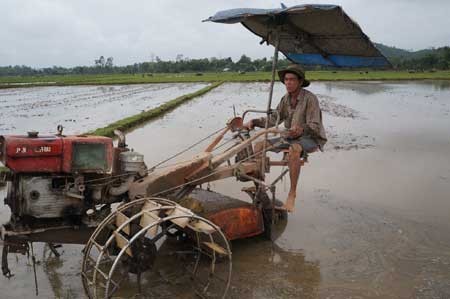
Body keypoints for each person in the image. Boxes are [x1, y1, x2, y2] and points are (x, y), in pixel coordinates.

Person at [244, 64, 327, 212]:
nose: (288, 83)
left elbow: (315, 125)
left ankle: (292, 192)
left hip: (310, 138)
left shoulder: (310, 99)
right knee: (258, 146)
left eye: (292, 79)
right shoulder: (285, 99)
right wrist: (254, 122)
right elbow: (274, 119)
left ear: (300, 82)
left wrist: (301, 129)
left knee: (294, 149)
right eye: (286, 79)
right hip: (289, 136)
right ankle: (260, 187)